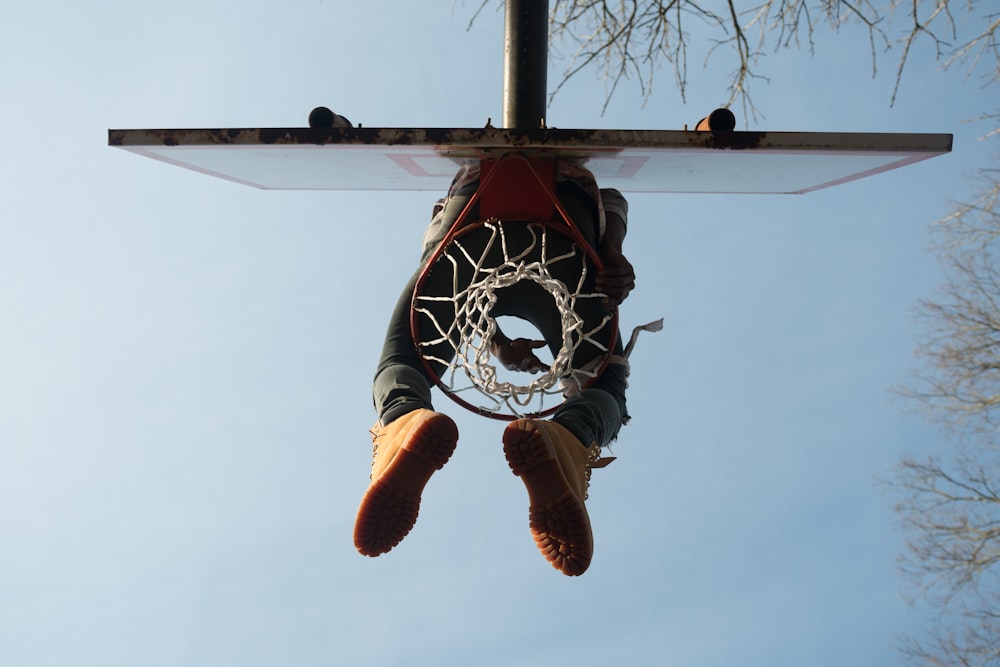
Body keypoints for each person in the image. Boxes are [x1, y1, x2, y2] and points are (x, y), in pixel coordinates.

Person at [352, 159, 635, 576]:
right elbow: (613, 200)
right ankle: (567, 438)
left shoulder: (464, 176)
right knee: (604, 387)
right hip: (567, 244)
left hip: (468, 237)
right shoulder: (574, 166)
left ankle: (405, 421)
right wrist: (613, 255)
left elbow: (479, 290)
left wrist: (496, 341)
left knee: (405, 360)